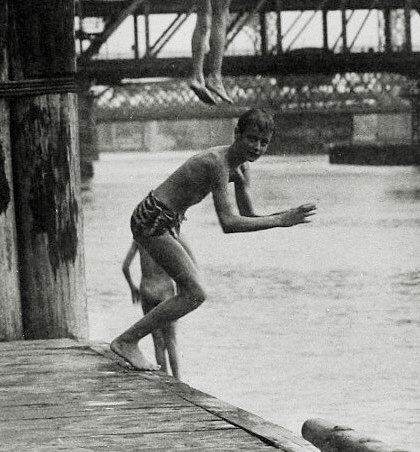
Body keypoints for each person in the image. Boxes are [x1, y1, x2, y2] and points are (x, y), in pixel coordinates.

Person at [110, 108, 317, 372]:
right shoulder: (216, 163)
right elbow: (228, 224)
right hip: (152, 219)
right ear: (237, 134)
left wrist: (277, 211)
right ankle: (127, 341)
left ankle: (130, 341)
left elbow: (248, 215)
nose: (257, 147)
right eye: (251, 138)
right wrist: (280, 220)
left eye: (264, 142)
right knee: (196, 293)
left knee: (194, 291)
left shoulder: (238, 167)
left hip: (166, 221)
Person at [121, 240, 181, 378]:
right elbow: (177, 265)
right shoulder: (165, 234)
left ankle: (165, 379)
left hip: (147, 289)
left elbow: (125, 267)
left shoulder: (139, 238)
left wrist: (132, 288)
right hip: (165, 289)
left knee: (157, 340)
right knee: (171, 340)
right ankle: (178, 379)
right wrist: (180, 288)